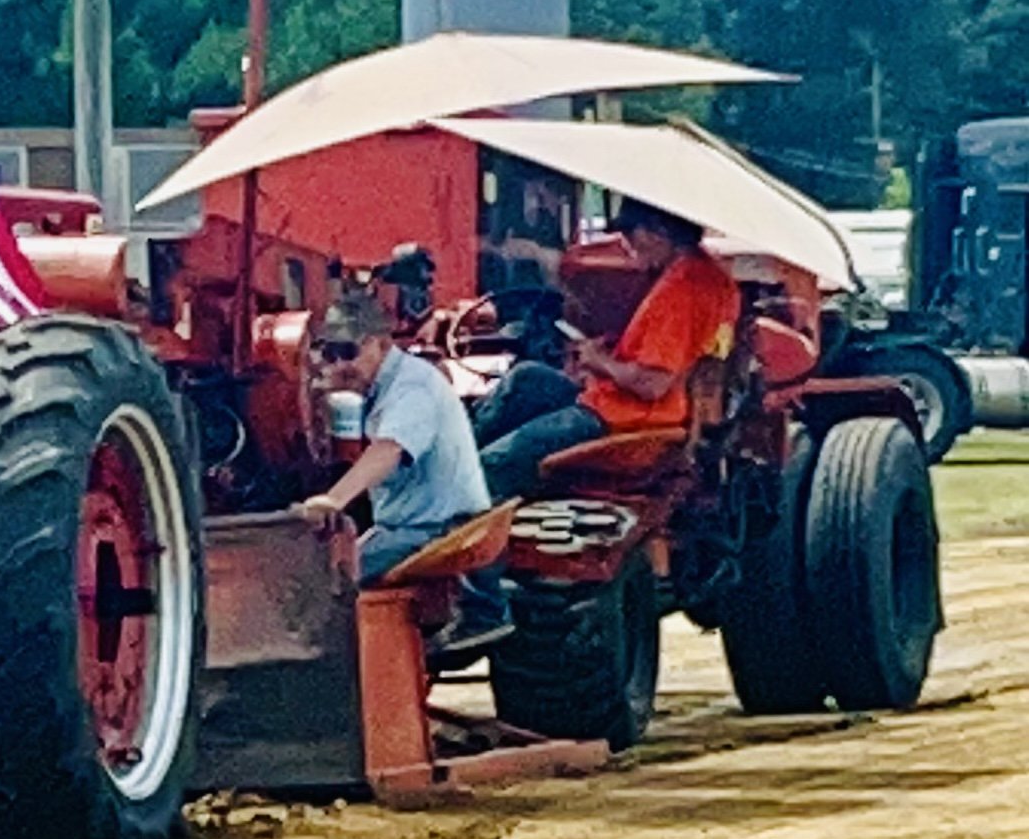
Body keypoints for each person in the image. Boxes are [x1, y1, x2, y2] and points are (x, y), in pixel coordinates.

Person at [475, 198, 740, 501]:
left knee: (492, 464)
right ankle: (454, 458)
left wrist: (598, 361)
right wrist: (615, 348)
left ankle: (455, 511)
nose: (626, 244)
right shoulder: (715, 278)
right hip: (646, 413)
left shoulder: (681, 290)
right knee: (526, 380)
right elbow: (681, 351)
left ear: (659, 230)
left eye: (630, 233)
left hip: (627, 423)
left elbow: (652, 384)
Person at [301, 291, 512, 658]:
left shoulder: (412, 387)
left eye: (348, 353)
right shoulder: (384, 388)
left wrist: (333, 499)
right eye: (330, 354)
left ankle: (344, 674)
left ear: (380, 344)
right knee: (331, 568)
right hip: (409, 526)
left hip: (434, 529)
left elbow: (388, 450)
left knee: (326, 582)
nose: (338, 365)